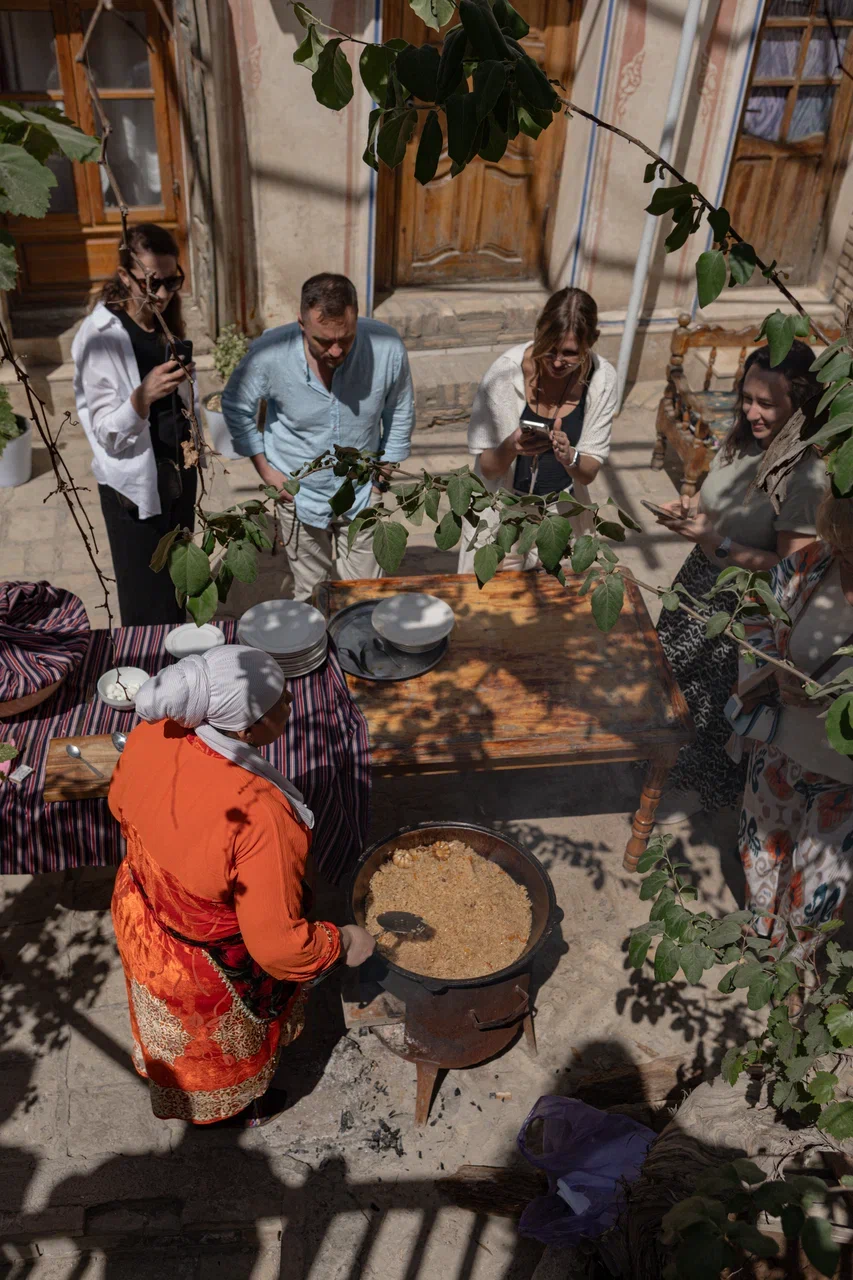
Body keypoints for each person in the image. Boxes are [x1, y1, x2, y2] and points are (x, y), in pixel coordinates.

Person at [108, 644, 376, 1127]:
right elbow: (278, 948)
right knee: (217, 1054)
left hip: (141, 914)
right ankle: (232, 1111)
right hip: (205, 969)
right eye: (280, 703)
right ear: (248, 730)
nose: (292, 703)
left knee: (175, 1043)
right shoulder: (260, 815)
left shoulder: (154, 730)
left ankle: (195, 1097)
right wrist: (342, 942)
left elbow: (119, 804)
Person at [651, 341, 827, 821]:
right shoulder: (745, 441)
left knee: (713, 710)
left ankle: (696, 808)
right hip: (697, 583)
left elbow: (792, 573)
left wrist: (719, 545)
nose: (751, 412)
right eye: (747, 398)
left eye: (766, 403)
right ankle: (666, 773)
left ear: (800, 403)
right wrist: (691, 513)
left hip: (739, 609)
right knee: (672, 685)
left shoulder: (805, 476)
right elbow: (718, 505)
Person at [221, 273, 415, 602]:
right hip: (298, 495)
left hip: (363, 492)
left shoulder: (386, 346)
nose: (336, 350)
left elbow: (400, 409)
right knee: (312, 596)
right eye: (324, 341)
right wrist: (268, 473)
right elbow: (235, 405)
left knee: (366, 597)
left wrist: (383, 474)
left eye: (347, 338)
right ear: (301, 323)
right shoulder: (270, 352)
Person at [734, 494, 853, 953]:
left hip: (844, 781)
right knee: (761, 862)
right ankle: (760, 952)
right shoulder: (815, 563)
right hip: (780, 751)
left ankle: (794, 978)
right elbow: (755, 614)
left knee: (817, 901)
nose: (842, 556)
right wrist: (770, 669)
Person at [71, 223, 200, 627]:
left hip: (177, 477)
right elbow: (106, 432)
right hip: (134, 490)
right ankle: (148, 678)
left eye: (172, 281)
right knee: (145, 597)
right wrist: (142, 396)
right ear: (125, 276)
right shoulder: (100, 336)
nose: (163, 293)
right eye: (152, 283)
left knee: (180, 584)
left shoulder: (163, 322)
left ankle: (184, 669)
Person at [458, 287, 617, 572]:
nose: (557, 362)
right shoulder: (504, 374)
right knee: (488, 603)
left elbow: (589, 472)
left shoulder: (602, 379)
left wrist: (570, 456)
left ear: (591, 342)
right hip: (502, 513)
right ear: (538, 332)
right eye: (549, 349)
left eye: (569, 354)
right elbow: (489, 469)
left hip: (560, 518)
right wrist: (511, 446)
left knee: (553, 607)